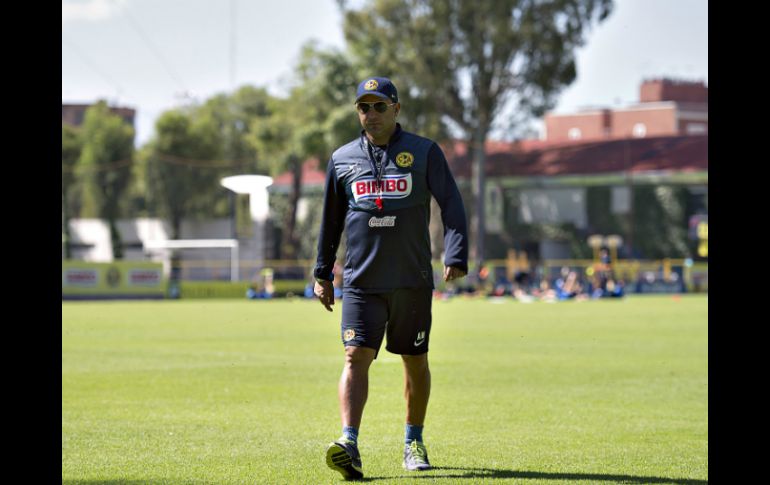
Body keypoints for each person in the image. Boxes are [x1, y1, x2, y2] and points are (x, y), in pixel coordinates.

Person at [313, 76, 468, 479]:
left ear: (396, 110)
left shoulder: (423, 152)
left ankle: (413, 441)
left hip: (412, 279)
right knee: (354, 356)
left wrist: (456, 253)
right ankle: (349, 442)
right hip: (362, 281)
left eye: (380, 106)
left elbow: (450, 202)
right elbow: (330, 221)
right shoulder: (342, 158)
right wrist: (322, 273)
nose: (372, 114)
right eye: (364, 107)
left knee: (414, 361)